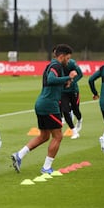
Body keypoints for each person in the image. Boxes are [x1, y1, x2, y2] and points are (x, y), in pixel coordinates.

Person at [11, 44, 77, 174]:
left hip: (42, 103)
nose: (68, 61)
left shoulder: (52, 65)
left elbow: (52, 84)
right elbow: (52, 80)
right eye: (67, 58)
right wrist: (68, 77)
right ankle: (46, 168)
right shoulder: (56, 66)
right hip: (49, 105)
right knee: (58, 136)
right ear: (61, 56)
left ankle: (19, 155)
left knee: (44, 136)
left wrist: (65, 82)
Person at [61, 58, 83, 139]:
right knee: (65, 111)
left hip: (73, 91)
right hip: (63, 92)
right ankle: (74, 132)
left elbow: (80, 74)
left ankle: (80, 119)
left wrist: (71, 81)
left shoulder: (72, 63)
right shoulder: (56, 64)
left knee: (75, 110)